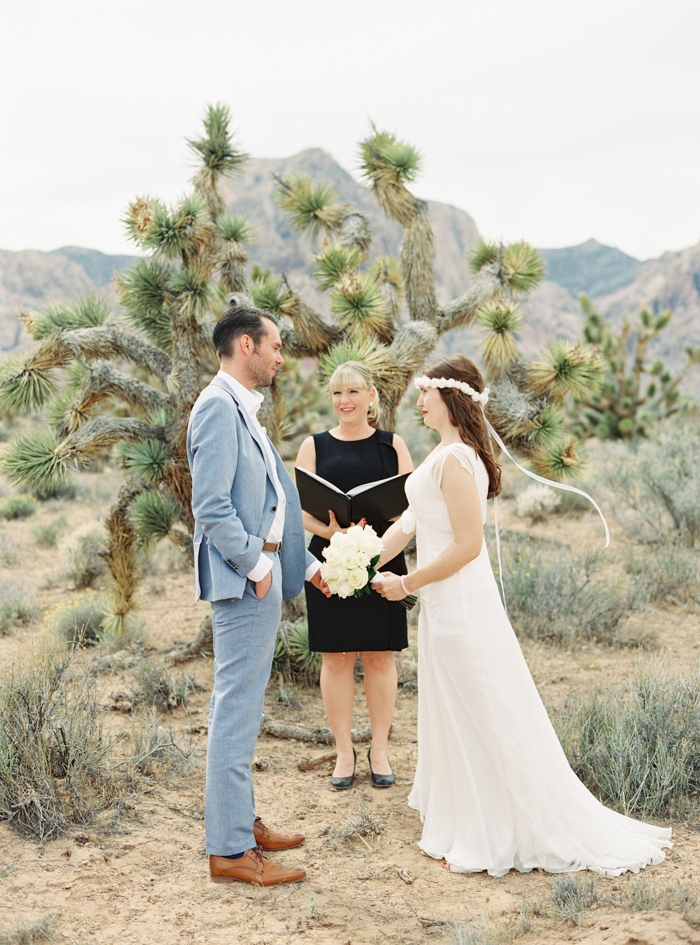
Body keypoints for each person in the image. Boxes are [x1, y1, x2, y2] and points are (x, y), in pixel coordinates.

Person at [374, 354, 672, 876]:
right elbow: (410, 523)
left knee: (484, 708)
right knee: (455, 710)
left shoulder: (458, 460)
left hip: (462, 605)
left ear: (450, 397)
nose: (418, 401)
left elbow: (467, 546)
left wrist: (406, 583)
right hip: (442, 610)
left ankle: (500, 830)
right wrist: (360, 559)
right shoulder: (440, 454)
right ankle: (467, 817)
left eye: (426, 392)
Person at [186, 304, 330, 887]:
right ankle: (229, 850)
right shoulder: (218, 408)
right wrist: (254, 566)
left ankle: (240, 823)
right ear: (246, 346)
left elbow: (270, 502)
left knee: (240, 708)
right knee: (236, 711)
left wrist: (308, 564)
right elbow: (212, 507)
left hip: (261, 574)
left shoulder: (241, 408)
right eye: (273, 346)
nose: (279, 356)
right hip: (245, 579)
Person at [295, 361, 413, 789]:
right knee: (337, 658)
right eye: (337, 394)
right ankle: (344, 751)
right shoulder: (314, 447)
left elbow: (409, 506)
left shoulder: (392, 445)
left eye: (352, 392)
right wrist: (331, 531)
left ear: (371, 397)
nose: (344, 401)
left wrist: (377, 535)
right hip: (330, 564)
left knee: (381, 657)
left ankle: (378, 748)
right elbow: (300, 508)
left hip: (383, 559)